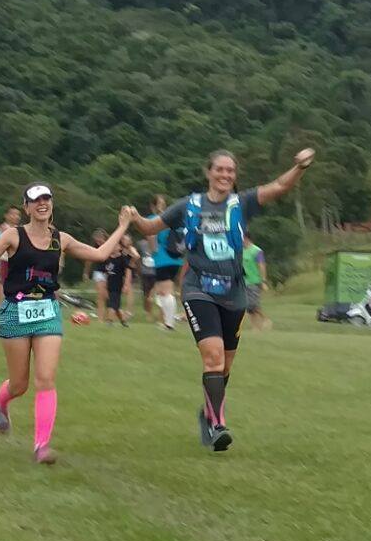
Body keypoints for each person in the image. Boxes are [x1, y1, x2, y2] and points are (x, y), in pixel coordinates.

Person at [131, 147, 316, 452]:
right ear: (208, 172)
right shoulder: (188, 206)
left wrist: (300, 167)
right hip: (198, 288)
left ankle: (207, 412)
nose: (226, 175)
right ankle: (218, 424)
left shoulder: (241, 203)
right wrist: (134, 216)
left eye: (231, 171)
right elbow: (151, 227)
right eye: (220, 169)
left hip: (233, 291)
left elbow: (280, 187)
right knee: (213, 357)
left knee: (224, 367)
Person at [0, 184, 135, 464]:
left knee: (46, 378)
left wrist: (122, 226)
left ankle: (41, 446)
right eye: (35, 200)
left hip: (47, 311)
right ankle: (1, 401)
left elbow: (99, 255)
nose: (42, 204)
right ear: (27, 207)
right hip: (15, 311)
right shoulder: (13, 235)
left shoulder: (62, 239)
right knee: (20, 384)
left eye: (46, 199)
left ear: (51, 204)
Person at [148, 195, 183, 330]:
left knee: (166, 292)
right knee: (164, 291)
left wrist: (153, 252)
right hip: (175, 258)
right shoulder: (171, 219)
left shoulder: (153, 219)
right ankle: (167, 322)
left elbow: (152, 238)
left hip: (162, 259)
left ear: (152, 206)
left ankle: (169, 323)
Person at [102, 235, 137, 327]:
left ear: (120, 247)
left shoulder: (122, 259)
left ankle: (109, 321)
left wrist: (126, 284)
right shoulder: (108, 259)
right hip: (109, 285)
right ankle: (123, 321)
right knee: (116, 307)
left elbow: (128, 271)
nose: (113, 247)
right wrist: (104, 286)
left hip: (117, 286)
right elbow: (106, 273)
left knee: (112, 305)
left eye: (115, 245)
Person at [242, 234, 271, 331]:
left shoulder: (256, 251)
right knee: (248, 307)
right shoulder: (241, 251)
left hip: (254, 280)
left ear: (246, 238)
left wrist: (263, 281)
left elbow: (262, 266)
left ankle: (265, 319)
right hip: (244, 281)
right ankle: (255, 326)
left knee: (252, 304)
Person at [82, 228, 108, 318]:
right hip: (99, 272)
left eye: (99, 239)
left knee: (106, 295)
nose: (98, 241)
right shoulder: (94, 248)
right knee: (100, 295)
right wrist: (86, 273)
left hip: (110, 273)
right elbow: (89, 260)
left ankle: (109, 314)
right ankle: (100, 316)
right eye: (96, 240)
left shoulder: (110, 246)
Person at [136, 236, 158, 322]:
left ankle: (156, 313)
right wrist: (139, 270)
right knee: (146, 294)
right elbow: (138, 257)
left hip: (155, 271)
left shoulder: (158, 243)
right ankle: (148, 313)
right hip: (145, 272)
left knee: (153, 294)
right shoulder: (141, 244)